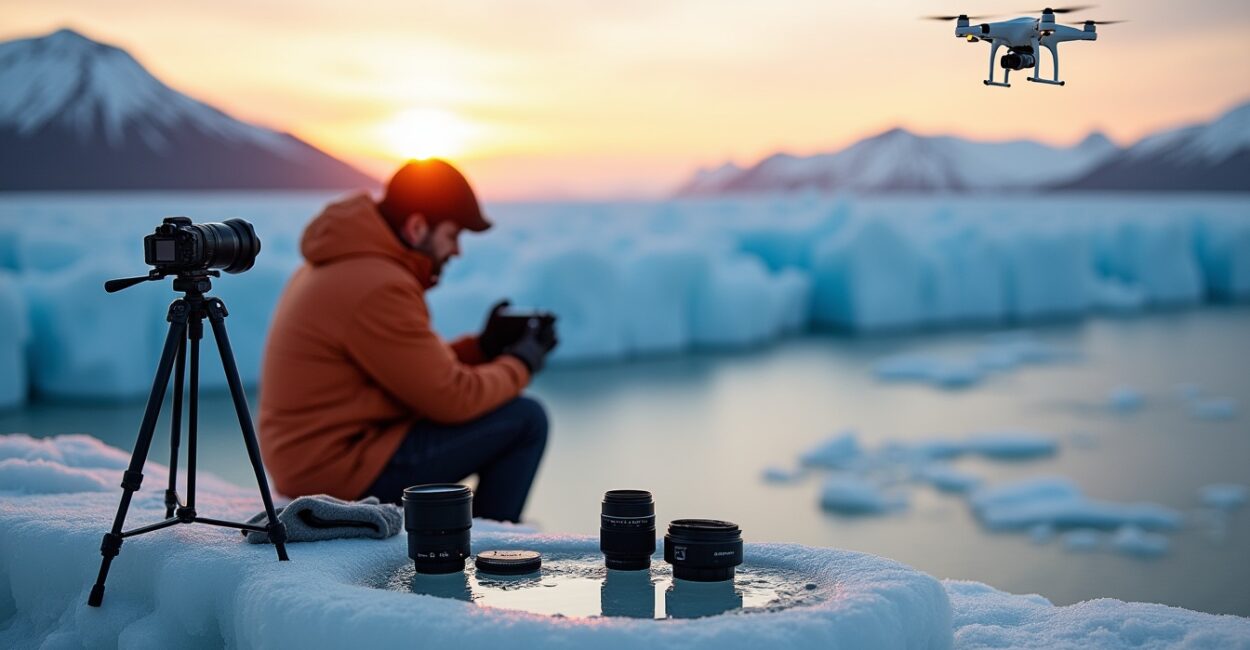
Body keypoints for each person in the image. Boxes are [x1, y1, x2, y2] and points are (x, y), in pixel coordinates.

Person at [259, 159, 556, 523]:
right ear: (417, 227)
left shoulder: (343, 263)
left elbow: (406, 371)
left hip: (314, 456)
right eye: (453, 235)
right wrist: (521, 364)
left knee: (513, 415)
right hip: (336, 471)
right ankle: (490, 544)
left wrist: (482, 349)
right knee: (525, 419)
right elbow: (452, 398)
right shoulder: (379, 286)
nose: (457, 250)